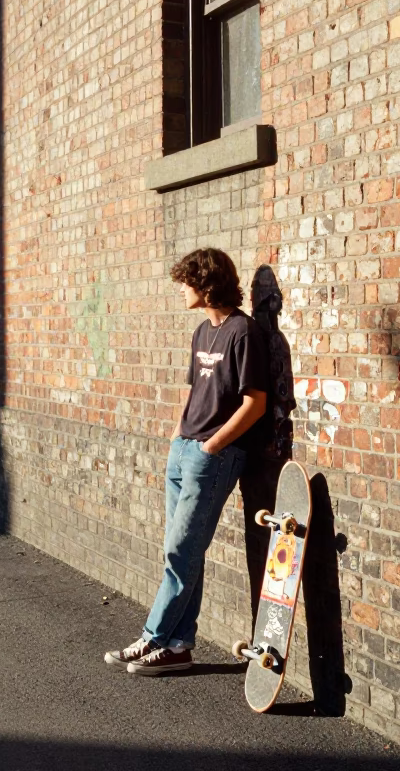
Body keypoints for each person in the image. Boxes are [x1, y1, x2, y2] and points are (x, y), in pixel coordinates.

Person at [104, 248, 267, 675]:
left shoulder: (243, 333)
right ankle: (179, 646)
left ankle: (153, 636)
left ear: (207, 283)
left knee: (181, 551)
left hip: (214, 456)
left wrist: (212, 446)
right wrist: (178, 435)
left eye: (186, 281)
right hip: (184, 451)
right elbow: (194, 390)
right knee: (184, 551)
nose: (180, 288)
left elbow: (256, 404)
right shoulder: (201, 332)